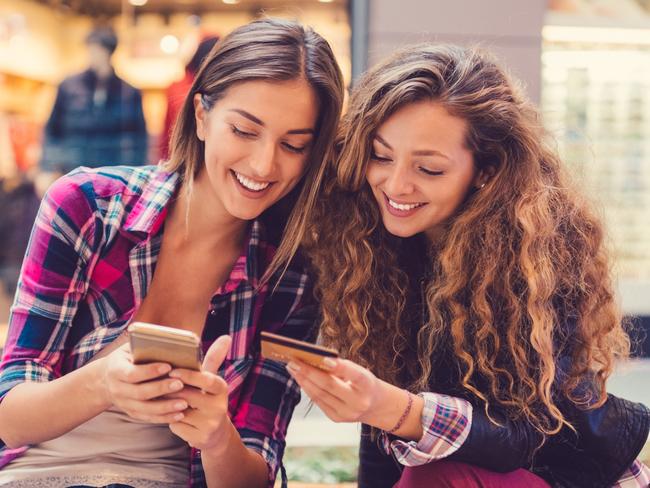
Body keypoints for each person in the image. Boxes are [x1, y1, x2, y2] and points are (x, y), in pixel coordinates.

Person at [0, 18, 343, 488]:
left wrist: (218, 436)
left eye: (293, 145)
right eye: (244, 131)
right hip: (39, 474)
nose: (264, 165)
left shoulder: (290, 277)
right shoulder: (85, 207)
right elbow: (10, 414)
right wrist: (102, 383)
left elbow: (253, 477)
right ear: (201, 116)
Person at [290, 44, 650, 487]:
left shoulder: (532, 261)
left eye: (429, 168)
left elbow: (524, 436)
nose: (396, 184)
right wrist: (382, 408)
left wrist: (393, 408)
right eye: (381, 156)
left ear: (486, 170)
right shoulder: (374, 247)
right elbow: (381, 441)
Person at [40, 26, 148, 174]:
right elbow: (52, 129)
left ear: (109, 52)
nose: (92, 55)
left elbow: (139, 138)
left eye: (97, 50)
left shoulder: (129, 93)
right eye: (90, 49)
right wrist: (46, 168)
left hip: (112, 173)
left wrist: (137, 172)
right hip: (73, 170)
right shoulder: (68, 86)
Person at [159, 35, 220, 161]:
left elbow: (166, 132)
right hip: (185, 158)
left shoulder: (176, 87)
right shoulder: (179, 89)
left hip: (181, 156)